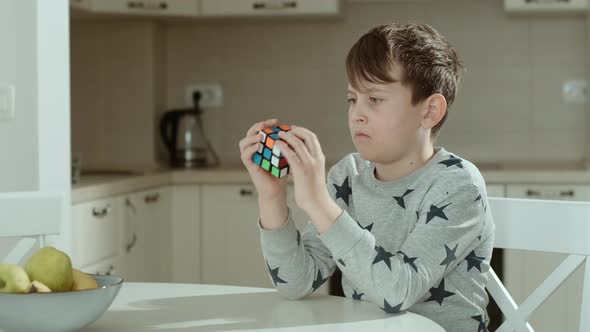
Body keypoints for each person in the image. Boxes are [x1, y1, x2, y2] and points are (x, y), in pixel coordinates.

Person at [238, 22, 495, 332]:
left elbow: (397, 291)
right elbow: (295, 283)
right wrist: (272, 196)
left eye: (374, 99)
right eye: (352, 99)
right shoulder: (348, 176)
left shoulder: (457, 184)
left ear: (429, 112)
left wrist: (319, 204)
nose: (357, 113)